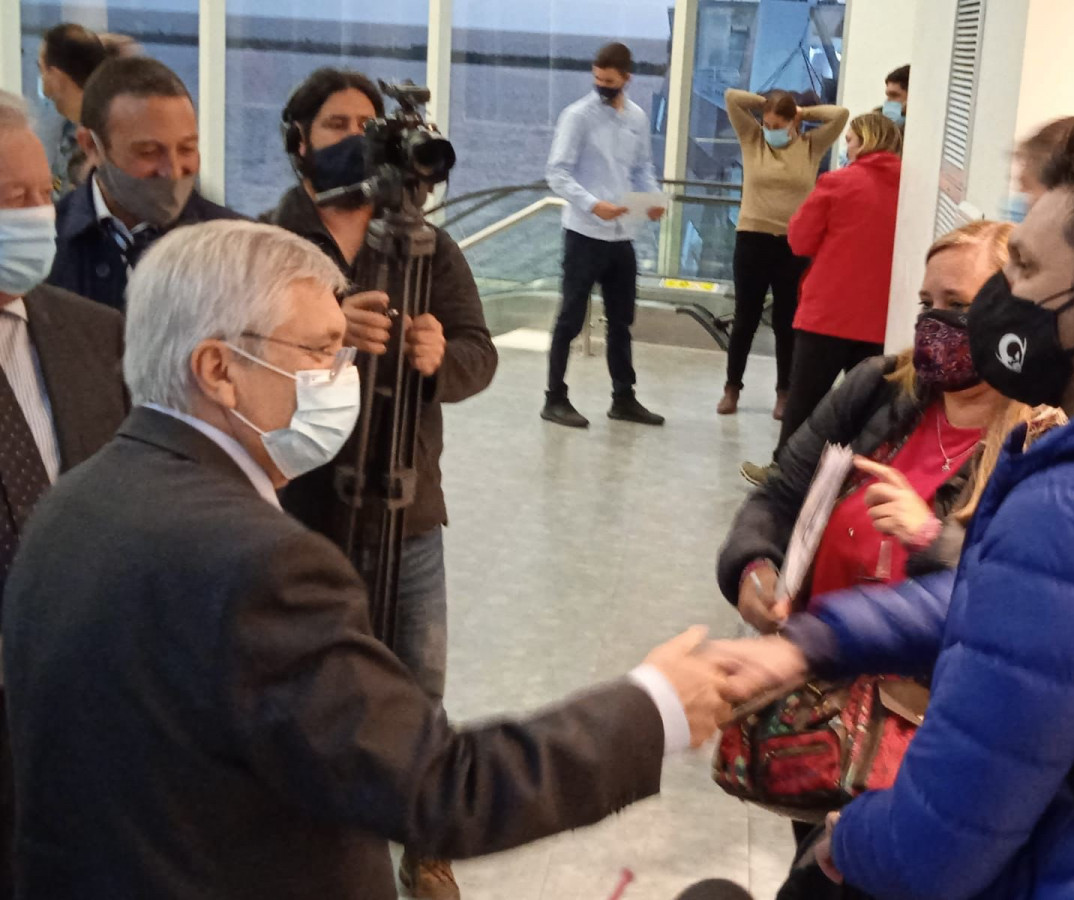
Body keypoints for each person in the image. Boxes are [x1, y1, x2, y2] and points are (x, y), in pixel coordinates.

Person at [2, 219, 736, 900]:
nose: (343, 372)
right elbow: (440, 790)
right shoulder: (260, 562)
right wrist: (657, 705)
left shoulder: (74, 500)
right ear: (218, 369)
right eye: (319, 350)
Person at [714, 120, 1074, 898]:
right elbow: (1009, 605)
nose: (1002, 304)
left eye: (1029, 270)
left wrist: (848, 839)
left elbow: (934, 845)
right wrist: (815, 640)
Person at [719, 221, 1032, 900]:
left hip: (921, 743)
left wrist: (932, 538)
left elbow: (1016, 601)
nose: (933, 324)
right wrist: (754, 571)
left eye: (957, 303)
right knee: (813, 866)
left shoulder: (1034, 440)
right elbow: (776, 497)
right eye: (926, 303)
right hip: (818, 713)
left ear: (1012, 314)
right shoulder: (879, 389)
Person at [264, 67, 498, 899]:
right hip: (300, 505)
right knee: (305, 675)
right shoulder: (271, 244)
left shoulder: (427, 246)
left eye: (370, 123)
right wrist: (324, 339)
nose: (357, 139)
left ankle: (423, 838)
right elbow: (232, 364)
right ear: (299, 142)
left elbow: (480, 353)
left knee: (417, 684)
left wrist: (440, 362)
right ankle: (313, 831)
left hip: (411, 506)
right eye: (336, 125)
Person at [0, 90, 127, 900]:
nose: (38, 214)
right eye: (13, 198)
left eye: (43, 192)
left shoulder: (90, 333)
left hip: (79, 708)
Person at [741, 112, 904, 486]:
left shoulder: (837, 183)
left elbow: (799, 239)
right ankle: (855, 478)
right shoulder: (911, 190)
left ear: (863, 142)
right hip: (881, 318)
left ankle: (785, 474)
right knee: (868, 406)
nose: (846, 147)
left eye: (849, 140)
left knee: (805, 401)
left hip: (827, 314)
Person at [45, 56, 240, 313]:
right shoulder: (45, 245)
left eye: (187, 148)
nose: (173, 170)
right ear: (91, 146)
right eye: (148, 152)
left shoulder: (237, 246)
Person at [542, 41, 666, 429]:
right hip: (584, 233)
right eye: (597, 79)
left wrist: (653, 197)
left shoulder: (637, 118)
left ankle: (623, 397)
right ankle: (554, 398)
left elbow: (642, 166)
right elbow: (557, 172)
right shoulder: (576, 117)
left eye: (609, 81)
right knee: (570, 318)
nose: (602, 86)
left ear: (627, 78)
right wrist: (593, 204)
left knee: (621, 319)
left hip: (621, 235)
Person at [718, 87, 848, 418]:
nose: (770, 130)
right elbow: (732, 98)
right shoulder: (753, 139)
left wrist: (802, 112)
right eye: (766, 123)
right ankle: (732, 387)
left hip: (794, 245)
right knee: (745, 317)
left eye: (777, 125)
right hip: (752, 238)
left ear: (793, 123)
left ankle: (784, 392)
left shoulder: (810, 146)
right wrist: (768, 105)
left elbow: (840, 116)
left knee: (787, 321)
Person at [36, 23, 109, 200]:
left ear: (56, 77)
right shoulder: (68, 131)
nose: (43, 85)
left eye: (42, 70)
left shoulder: (106, 140)